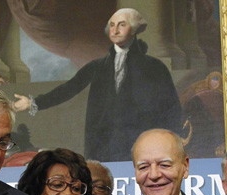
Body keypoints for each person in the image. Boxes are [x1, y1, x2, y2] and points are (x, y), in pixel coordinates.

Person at [12, 8, 181, 161]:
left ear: (135, 29)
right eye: (112, 25)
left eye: (122, 25)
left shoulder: (154, 67)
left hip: (142, 146)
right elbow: (69, 88)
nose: (115, 30)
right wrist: (33, 103)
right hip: (103, 147)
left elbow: (171, 107)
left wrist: (171, 144)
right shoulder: (98, 66)